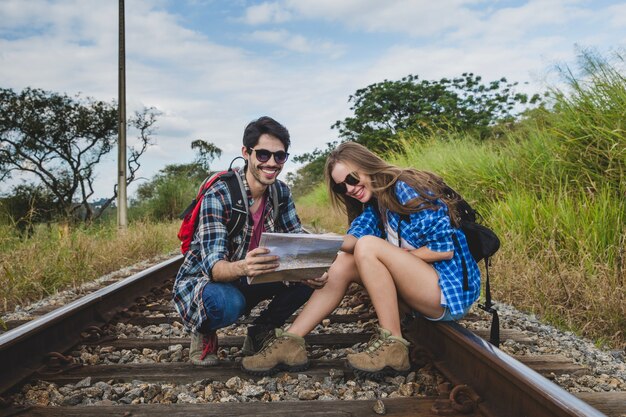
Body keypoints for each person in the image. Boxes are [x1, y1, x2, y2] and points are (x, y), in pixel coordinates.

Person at [242, 141, 481, 378]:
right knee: (345, 260)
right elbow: (352, 240)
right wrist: (317, 243)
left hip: (447, 292)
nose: (350, 189)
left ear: (368, 166)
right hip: (421, 289)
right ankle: (291, 342)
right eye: (341, 187)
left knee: (368, 247)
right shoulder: (376, 204)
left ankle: (393, 345)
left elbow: (442, 250)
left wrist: (392, 258)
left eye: (352, 179)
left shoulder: (405, 187)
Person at [173, 116, 328, 366]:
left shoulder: (280, 192)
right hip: (213, 280)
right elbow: (214, 268)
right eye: (264, 155)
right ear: (246, 153)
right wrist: (244, 266)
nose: (272, 163)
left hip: (257, 274)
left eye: (280, 156)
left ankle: (262, 330)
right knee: (227, 304)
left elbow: (296, 240)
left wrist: (310, 268)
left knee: (314, 278)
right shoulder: (220, 194)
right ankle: (203, 330)